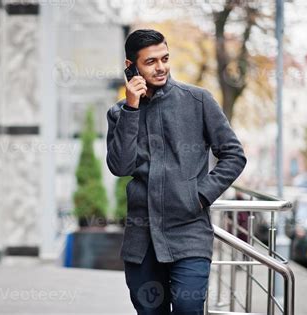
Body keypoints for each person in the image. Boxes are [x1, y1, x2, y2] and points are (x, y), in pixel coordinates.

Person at [105, 29, 247, 314]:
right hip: (141, 239)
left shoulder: (198, 101)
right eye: (150, 62)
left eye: (165, 58)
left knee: (187, 307)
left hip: (189, 232)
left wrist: (200, 196)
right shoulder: (119, 112)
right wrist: (132, 109)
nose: (161, 67)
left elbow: (233, 155)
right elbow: (120, 166)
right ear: (130, 66)